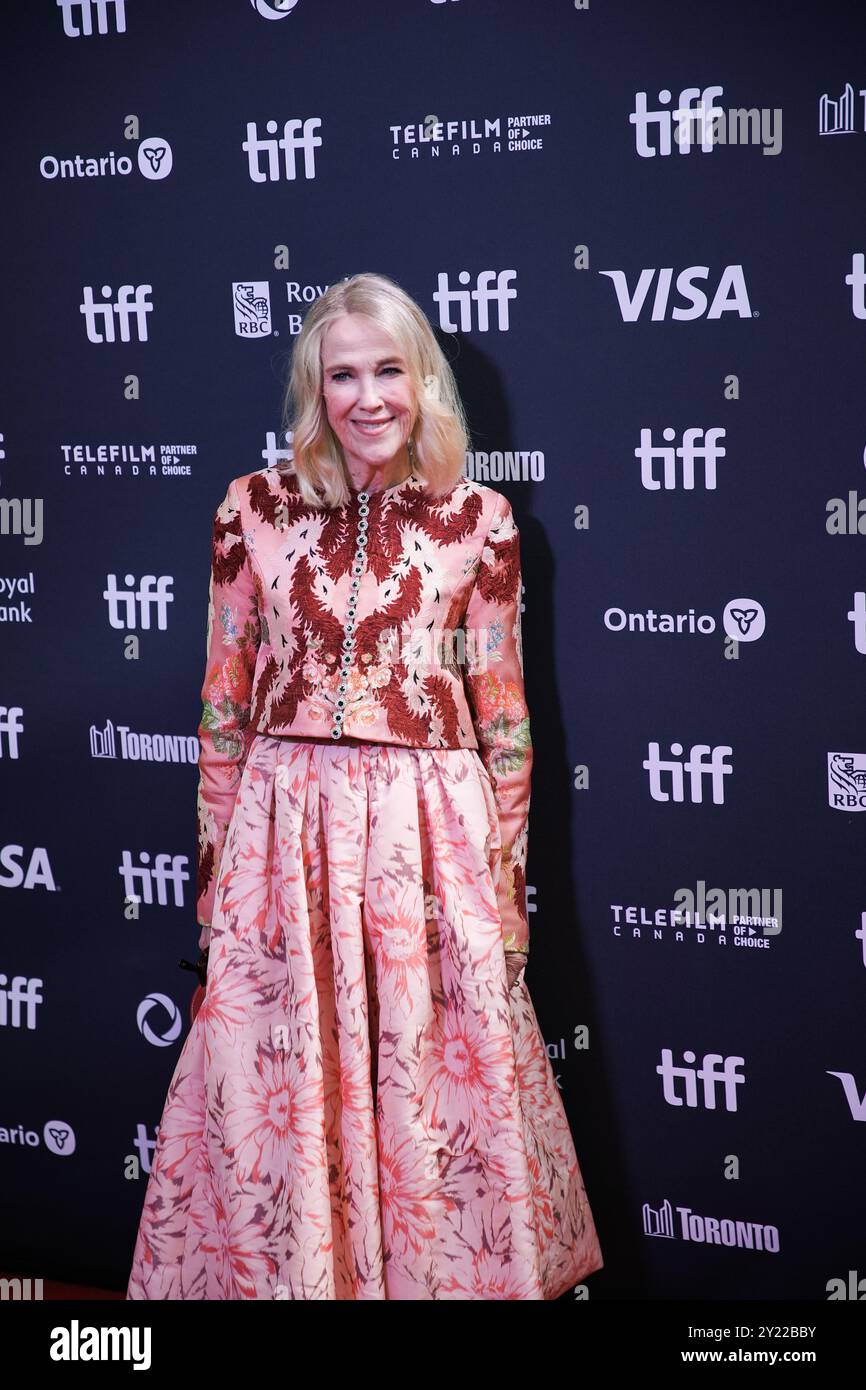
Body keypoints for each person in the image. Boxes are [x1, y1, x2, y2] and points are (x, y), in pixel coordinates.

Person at [126, 271, 603, 1300]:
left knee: (427, 1084)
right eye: (342, 374)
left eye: (389, 368)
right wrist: (213, 888)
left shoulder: (479, 519)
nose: (368, 395)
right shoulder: (248, 509)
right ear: (314, 388)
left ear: (424, 378)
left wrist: (506, 902)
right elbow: (221, 709)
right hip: (281, 838)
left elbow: (506, 724)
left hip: (425, 845)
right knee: (280, 1087)